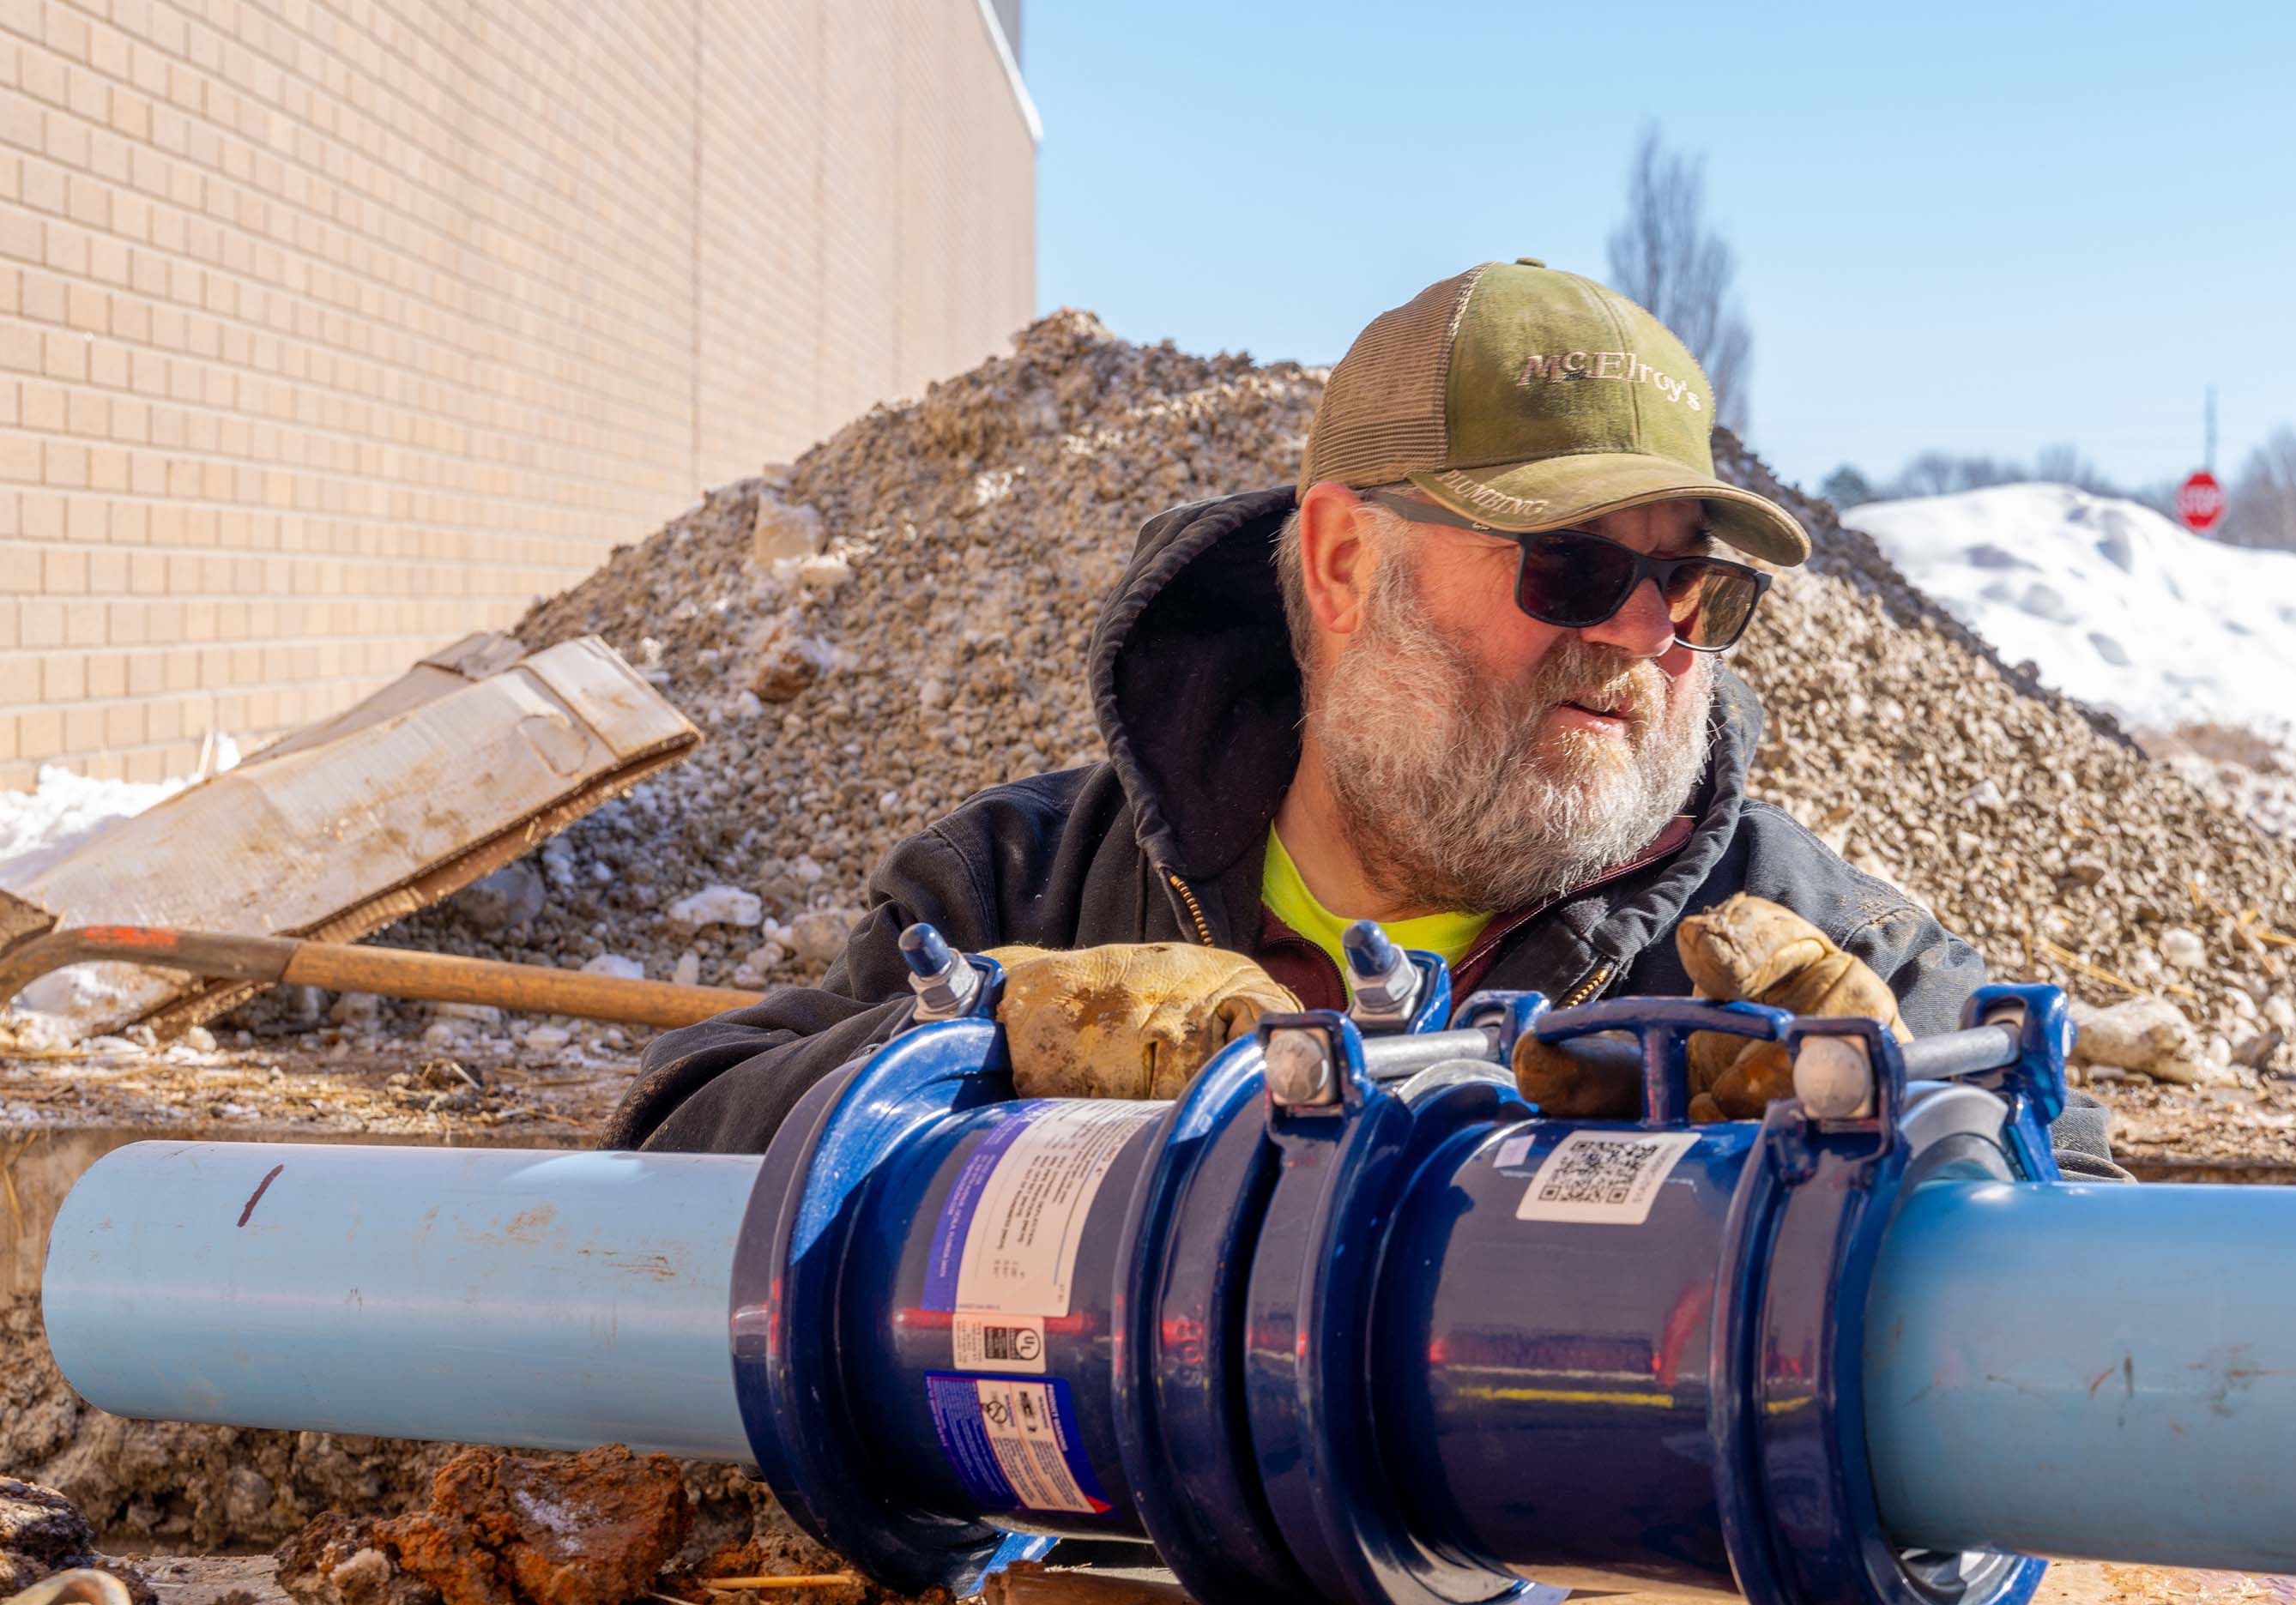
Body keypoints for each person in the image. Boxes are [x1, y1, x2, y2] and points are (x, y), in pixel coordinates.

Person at [607, 260, 2117, 1172]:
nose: (1642, 637)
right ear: (1343, 564)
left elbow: (2107, 1272)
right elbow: (674, 1157)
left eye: (1689, 590)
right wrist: (999, 1052)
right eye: (1574, 565)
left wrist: (1918, 1141)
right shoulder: (1027, 890)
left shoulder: (1791, 947)